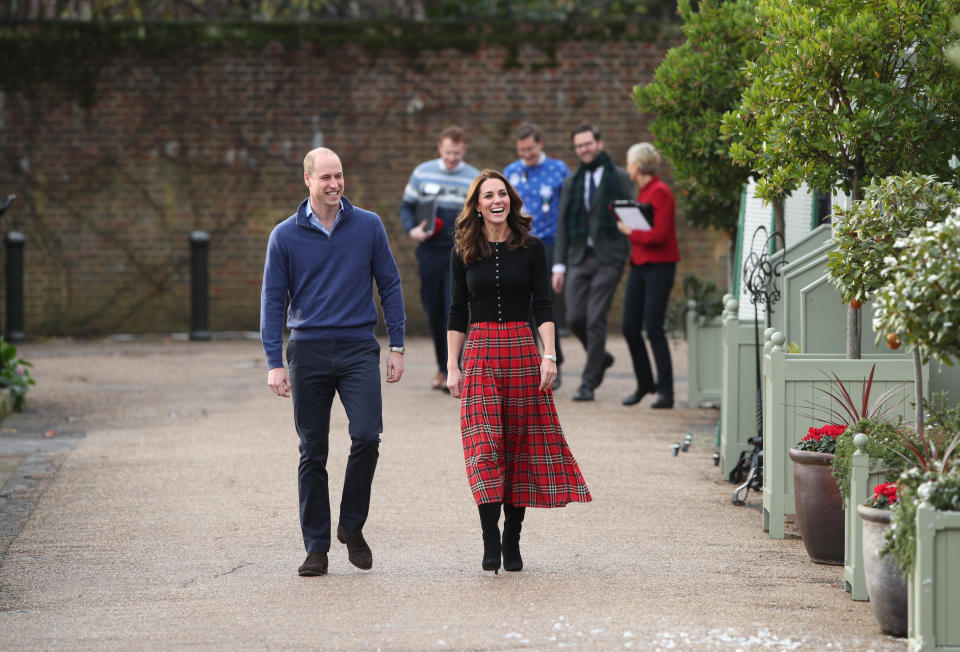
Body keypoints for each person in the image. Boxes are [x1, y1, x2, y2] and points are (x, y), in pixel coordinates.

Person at [260, 147, 407, 577]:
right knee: (313, 450)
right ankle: (316, 547)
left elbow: (390, 283)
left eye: (339, 176)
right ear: (307, 180)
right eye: (325, 177)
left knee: (366, 436)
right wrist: (274, 360)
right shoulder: (284, 236)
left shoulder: (368, 226)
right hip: (306, 350)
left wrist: (396, 344)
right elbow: (272, 301)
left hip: (359, 346)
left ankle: (351, 525)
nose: (334, 184)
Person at [447, 169, 592, 574]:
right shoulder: (462, 248)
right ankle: (489, 539)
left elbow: (543, 305)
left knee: (518, 448)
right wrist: (451, 365)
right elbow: (457, 310)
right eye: (488, 195)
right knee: (484, 448)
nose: (497, 200)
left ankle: (512, 539)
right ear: (477, 205)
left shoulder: (532, 247)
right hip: (479, 352)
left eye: (503, 194)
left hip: (520, 350)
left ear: (510, 199)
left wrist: (550, 355)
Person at [552, 124, 633, 402]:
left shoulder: (620, 177)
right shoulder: (571, 182)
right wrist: (559, 265)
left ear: (599, 143)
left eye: (587, 144)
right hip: (578, 257)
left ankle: (588, 382)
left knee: (595, 316)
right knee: (574, 317)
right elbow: (562, 224)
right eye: (579, 146)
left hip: (610, 256)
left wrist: (633, 249)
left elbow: (632, 215)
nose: (584, 150)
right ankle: (601, 357)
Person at [400, 125, 480, 391]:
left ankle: (454, 369)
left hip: (459, 252)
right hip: (429, 251)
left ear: (464, 150)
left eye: (457, 153)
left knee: (451, 308)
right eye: (448, 153)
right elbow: (407, 206)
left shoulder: (474, 177)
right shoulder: (422, 173)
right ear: (440, 148)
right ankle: (441, 366)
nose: (452, 158)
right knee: (433, 309)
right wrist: (412, 229)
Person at [503, 122, 570, 389]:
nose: (526, 155)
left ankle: (555, 361)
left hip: (550, 245)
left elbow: (566, 212)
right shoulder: (511, 171)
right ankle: (531, 364)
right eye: (521, 150)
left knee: (544, 304)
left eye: (530, 149)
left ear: (540, 143)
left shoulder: (559, 170)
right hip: (520, 245)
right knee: (523, 306)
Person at [617, 143, 680, 408]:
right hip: (641, 264)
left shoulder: (660, 192)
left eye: (630, 162)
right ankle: (645, 383)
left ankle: (666, 392)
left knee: (653, 327)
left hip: (660, 265)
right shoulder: (643, 192)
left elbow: (659, 234)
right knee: (629, 327)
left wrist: (631, 231)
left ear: (638, 166)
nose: (628, 167)